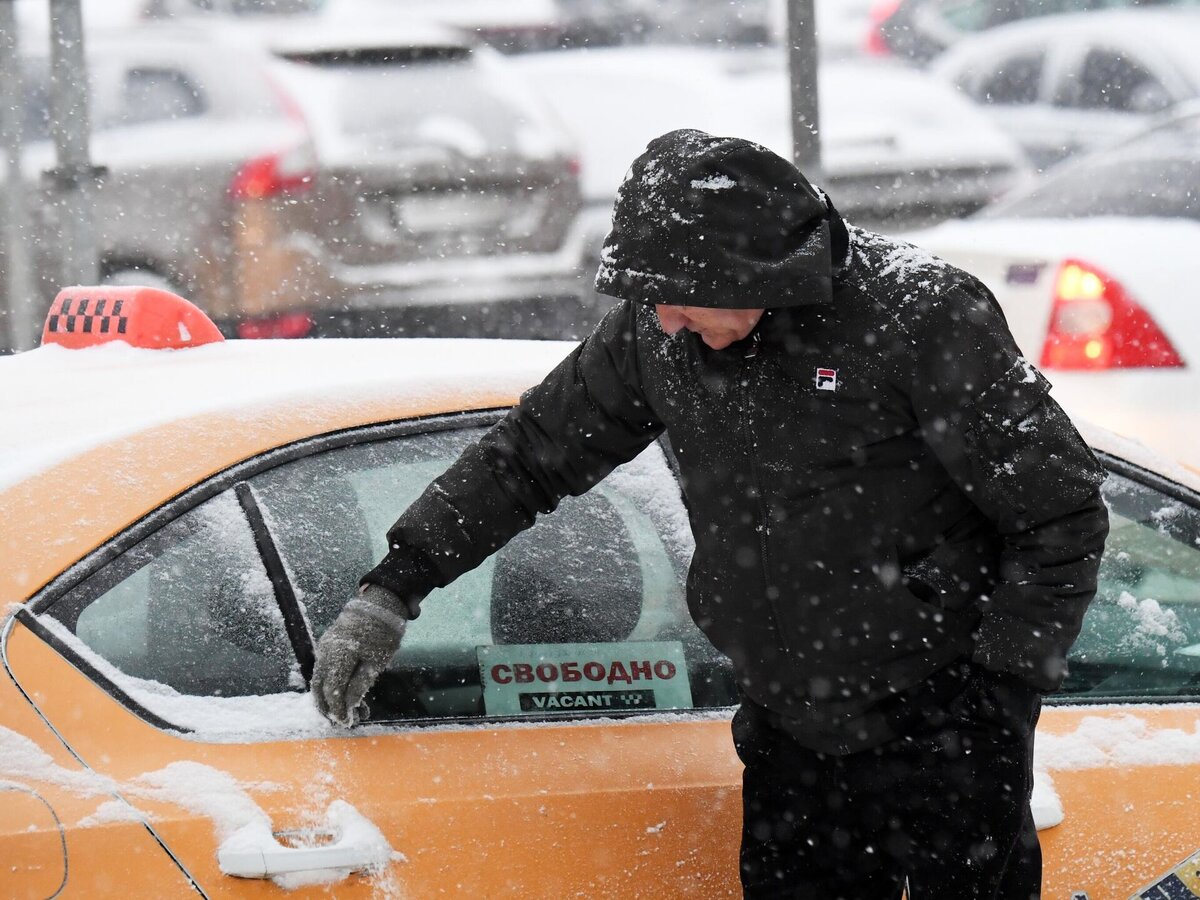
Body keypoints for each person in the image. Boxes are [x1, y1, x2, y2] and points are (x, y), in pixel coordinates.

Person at [311, 129, 1109, 898]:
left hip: (944, 723)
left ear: (756, 273)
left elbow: (1061, 513)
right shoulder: (660, 335)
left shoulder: (919, 317)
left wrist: (998, 697)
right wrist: (395, 585)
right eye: (649, 298)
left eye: (678, 299)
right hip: (792, 731)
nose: (662, 320)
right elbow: (529, 456)